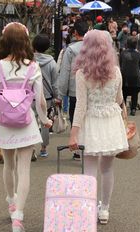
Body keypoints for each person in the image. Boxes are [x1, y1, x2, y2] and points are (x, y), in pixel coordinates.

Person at [0, 22, 52, 232]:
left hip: (4, 125)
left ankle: (11, 203)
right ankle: (18, 219)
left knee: (8, 166)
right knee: (24, 170)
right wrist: (45, 120)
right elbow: (40, 101)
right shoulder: (33, 67)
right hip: (26, 124)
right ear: (25, 40)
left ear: (5, 41)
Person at [68, 30, 128, 225]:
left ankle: (88, 208)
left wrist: (73, 133)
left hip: (92, 122)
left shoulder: (82, 74)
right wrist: (124, 112)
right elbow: (119, 99)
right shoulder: (116, 71)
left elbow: (81, 106)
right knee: (107, 168)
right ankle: (105, 209)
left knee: (90, 168)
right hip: (111, 121)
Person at [57, 19, 89, 161]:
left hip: (74, 89)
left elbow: (64, 73)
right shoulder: (94, 48)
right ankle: (88, 145)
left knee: (75, 118)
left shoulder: (70, 50)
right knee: (87, 119)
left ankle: (76, 149)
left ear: (75, 33)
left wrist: (60, 93)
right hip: (90, 90)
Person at [32, 34, 59, 157]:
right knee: (45, 123)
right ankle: (43, 148)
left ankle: (30, 148)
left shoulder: (29, 61)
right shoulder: (52, 62)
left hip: (30, 96)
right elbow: (55, 83)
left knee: (30, 122)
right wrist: (57, 96)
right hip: (46, 97)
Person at [120, 37, 140, 116]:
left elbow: (120, 64)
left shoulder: (122, 53)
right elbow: (139, 66)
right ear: (136, 45)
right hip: (135, 77)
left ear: (127, 44)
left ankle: (123, 108)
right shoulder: (139, 54)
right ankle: (133, 109)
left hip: (124, 77)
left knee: (124, 93)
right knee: (135, 94)